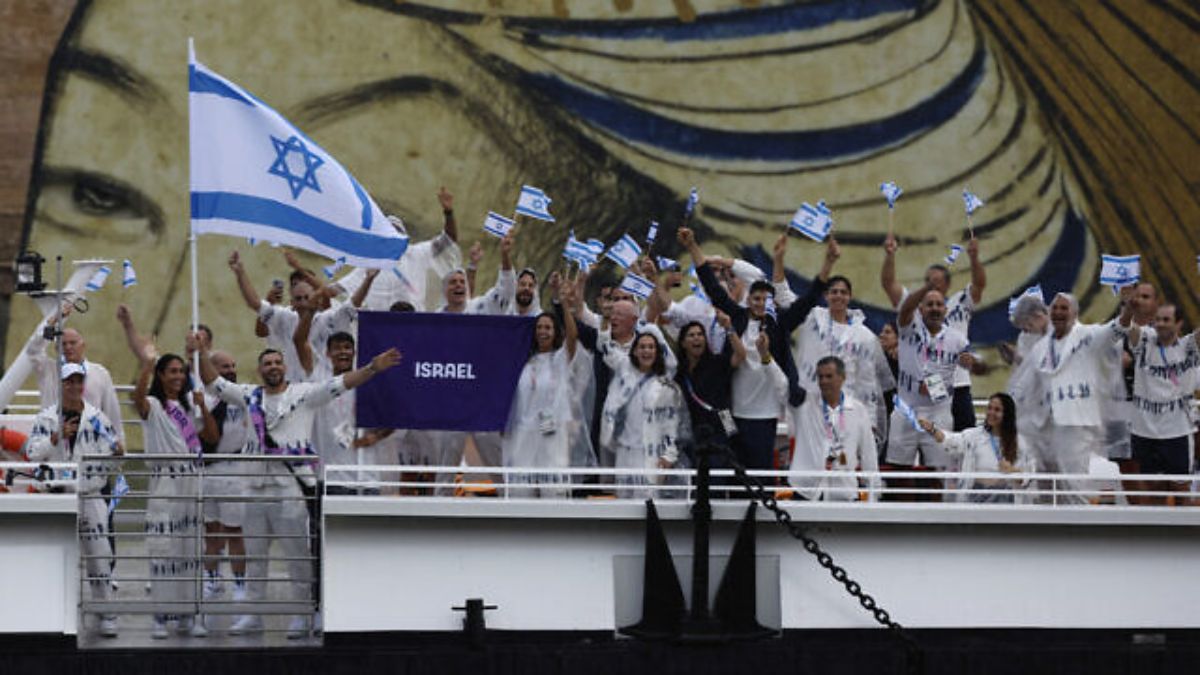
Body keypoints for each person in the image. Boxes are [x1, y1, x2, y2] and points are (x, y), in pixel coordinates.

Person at [193, 335, 401, 638]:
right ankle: (253, 615)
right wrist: (200, 352)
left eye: (277, 362)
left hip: (289, 489)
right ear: (259, 369)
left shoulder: (304, 393)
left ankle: (305, 614)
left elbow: (341, 383)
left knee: (297, 556)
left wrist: (372, 367)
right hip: (253, 488)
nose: (273, 367)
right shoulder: (249, 395)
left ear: (285, 366)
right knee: (255, 557)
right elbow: (214, 385)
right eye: (267, 363)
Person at [682, 227, 820, 470]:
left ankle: (760, 509)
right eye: (755, 298)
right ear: (748, 299)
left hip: (763, 415)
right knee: (731, 465)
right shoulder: (737, 317)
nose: (759, 303)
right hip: (731, 410)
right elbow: (712, 287)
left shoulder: (779, 326)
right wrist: (693, 246)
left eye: (766, 300)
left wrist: (827, 265)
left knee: (760, 474)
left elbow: (807, 301)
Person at [119, 305, 218, 639]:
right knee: (163, 547)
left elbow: (210, 438)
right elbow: (136, 397)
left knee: (190, 548)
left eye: (180, 371)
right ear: (161, 376)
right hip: (164, 482)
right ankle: (161, 616)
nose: (177, 376)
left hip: (192, 480)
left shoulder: (190, 406)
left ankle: (191, 613)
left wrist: (203, 406)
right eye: (170, 371)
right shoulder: (156, 406)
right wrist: (147, 362)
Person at [24, 362, 123, 637]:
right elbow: (31, 453)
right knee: (55, 557)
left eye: (80, 381)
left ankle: (106, 613)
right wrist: (55, 439)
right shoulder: (46, 417)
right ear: (62, 385)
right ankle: (51, 612)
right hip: (56, 496)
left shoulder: (98, 419)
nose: (75, 387)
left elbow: (114, 454)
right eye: (70, 382)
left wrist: (116, 455)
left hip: (90, 495)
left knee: (100, 555)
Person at [772, 233, 894, 441]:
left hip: (847, 410)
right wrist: (778, 260)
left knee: (842, 467)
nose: (838, 295)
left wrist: (871, 423)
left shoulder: (864, 336)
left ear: (850, 297)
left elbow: (867, 383)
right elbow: (783, 296)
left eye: (843, 292)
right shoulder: (812, 318)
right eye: (833, 291)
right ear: (826, 296)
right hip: (810, 405)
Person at [1023, 292, 1123, 504]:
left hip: (1075, 422)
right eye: (1055, 308)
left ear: (1075, 313)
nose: (1058, 312)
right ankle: (1051, 533)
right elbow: (1027, 387)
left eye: (1064, 308)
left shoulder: (1088, 336)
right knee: (1047, 486)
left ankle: (1082, 533)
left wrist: (1128, 309)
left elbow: (1115, 329)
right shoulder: (1040, 348)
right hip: (1045, 425)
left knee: (1074, 484)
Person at [882, 233, 987, 431]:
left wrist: (974, 258)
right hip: (929, 384)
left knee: (964, 440)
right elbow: (889, 285)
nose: (931, 285)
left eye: (936, 281)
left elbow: (979, 284)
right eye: (928, 281)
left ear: (947, 284)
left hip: (958, 384)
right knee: (932, 442)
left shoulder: (959, 304)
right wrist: (890, 255)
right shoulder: (915, 308)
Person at [502, 292, 590, 498]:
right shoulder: (523, 363)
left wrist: (565, 307)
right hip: (523, 434)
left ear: (555, 332)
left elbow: (572, 335)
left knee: (552, 491)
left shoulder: (560, 360)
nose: (543, 331)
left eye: (548, 327)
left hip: (552, 434)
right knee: (520, 492)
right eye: (539, 327)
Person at [1115, 297, 1198, 505]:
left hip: (1177, 429)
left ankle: (1185, 537)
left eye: (1166, 320)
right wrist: (1128, 310)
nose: (1160, 323)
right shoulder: (1145, 340)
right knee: (1153, 489)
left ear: (1178, 324)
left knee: (1181, 489)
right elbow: (1128, 328)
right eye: (1158, 319)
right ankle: (1158, 537)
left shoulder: (1188, 346)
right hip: (1145, 430)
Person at [885, 282, 974, 473]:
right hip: (905, 412)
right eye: (929, 304)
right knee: (898, 471)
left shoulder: (956, 339)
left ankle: (935, 504)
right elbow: (906, 307)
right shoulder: (909, 328)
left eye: (939, 305)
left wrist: (972, 363)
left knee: (939, 472)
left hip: (938, 413)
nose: (935, 309)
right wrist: (926, 287)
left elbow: (977, 367)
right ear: (921, 309)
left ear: (945, 309)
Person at [333, 187, 461, 311]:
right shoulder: (369, 264)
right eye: (388, 233)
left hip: (411, 324)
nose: (392, 237)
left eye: (396, 232)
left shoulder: (417, 253)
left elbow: (449, 239)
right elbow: (336, 290)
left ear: (404, 238)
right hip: (377, 327)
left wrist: (448, 212)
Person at [196, 349, 251, 625]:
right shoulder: (203, 399)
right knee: (211, 530)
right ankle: (213, 579)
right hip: (208, 468)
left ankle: (240, 584)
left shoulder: (242, 396)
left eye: (233, 365)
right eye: (224, 366)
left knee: (234, 530)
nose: (230, 370)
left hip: (234, 467)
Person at [598, 329, 686, 498]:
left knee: (646, 502)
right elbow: (606, 347)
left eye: (651, 347)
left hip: (650, 454)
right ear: (635, 351)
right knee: (623, 502)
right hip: (624, 451)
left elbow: (672, 424)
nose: (646, 351)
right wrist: (609, 322)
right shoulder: (625, 372)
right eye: (642, 347)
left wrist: (669, 455)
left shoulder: (666, 386)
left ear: (657, 352)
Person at [788, 356, 880, 501]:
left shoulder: (857, 409)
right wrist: (766, 358)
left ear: (842, 377)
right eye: (820, 377)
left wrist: (874, 493)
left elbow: (869, 454)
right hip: (808, 491)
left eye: (829, 376)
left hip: (844, 491)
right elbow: (781, 384)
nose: (824, 381)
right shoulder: (805, 406)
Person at [919, 393, 1034, 503]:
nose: (991, 412)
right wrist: (932, 430)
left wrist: (1012, 471)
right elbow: (950, 440)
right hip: (975, 497)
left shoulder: (1020, 443)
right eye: (989, 408)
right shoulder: (974, 435)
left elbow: (1029, 477)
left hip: (1007, 500)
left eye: (997, 410)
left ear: (1007, 414)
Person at [673, 316, 746, 471]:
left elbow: (740, 355)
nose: (697, 338)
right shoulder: (679, 374)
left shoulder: (717, 362)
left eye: (700, 334)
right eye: (691, 335)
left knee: (720, 474)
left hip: (723, 424)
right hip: (694, 431)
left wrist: (729, 328)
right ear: (683, 343)